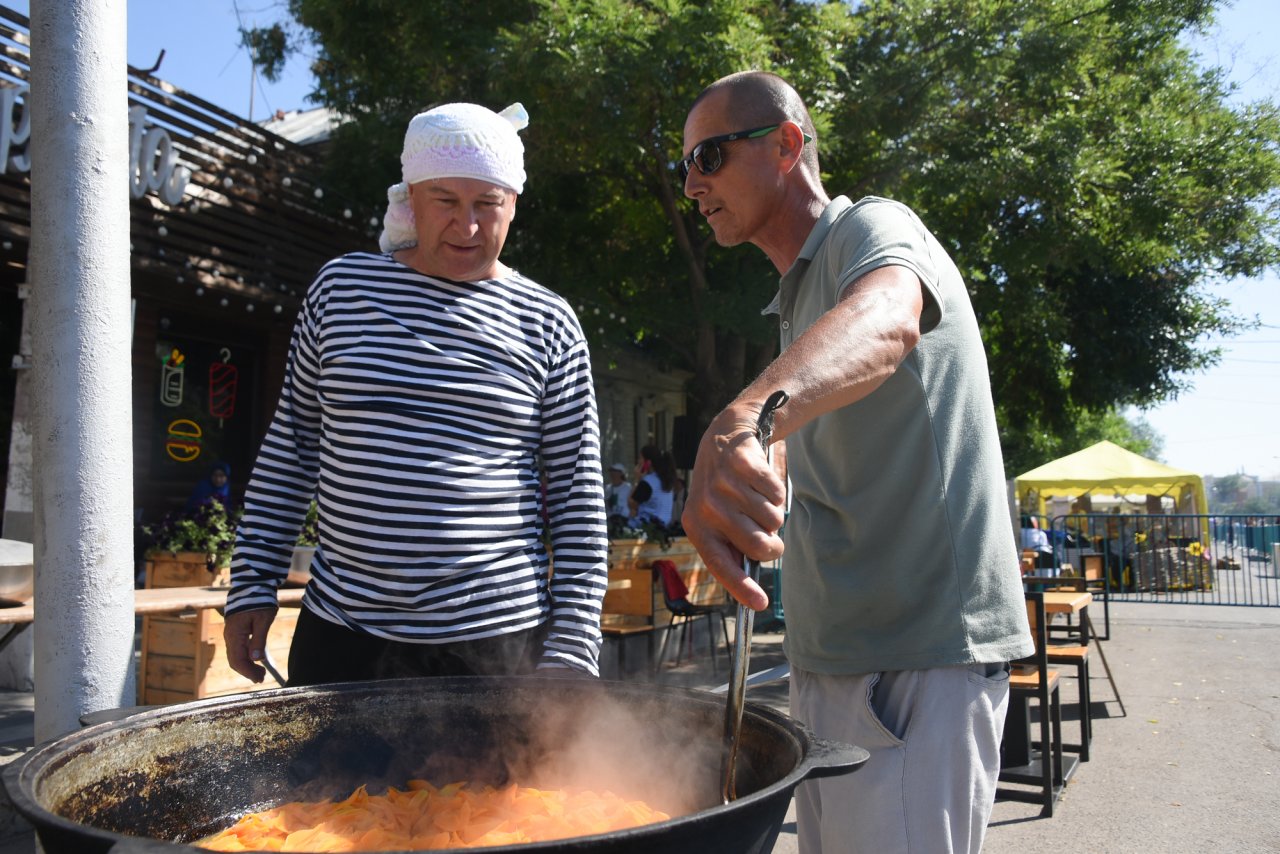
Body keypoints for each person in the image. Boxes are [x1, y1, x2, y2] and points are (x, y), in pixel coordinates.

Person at [678, 71, 1032, 853]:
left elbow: (888, 315)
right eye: (685, 169)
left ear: (786, 144)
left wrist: (747, 416)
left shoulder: (870, 230)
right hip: (835, 660)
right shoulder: (793, 302)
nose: (693, 186)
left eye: (707, 157)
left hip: (916, 655)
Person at [223, 102, 609, 686]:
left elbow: (578, 496)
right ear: (410, 196)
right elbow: (293, 449)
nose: (468, 227)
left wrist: (574, 644)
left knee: (498, 787)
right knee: (328, 784)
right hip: (343, 636)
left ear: (514, 203)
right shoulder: (341, 291)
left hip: (496, 644)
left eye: (488, 204)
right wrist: (252, 581)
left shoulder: (549, 321)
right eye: (446, 202)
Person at [628, 445, 676, 529]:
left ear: (648, 463)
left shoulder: (648, 482)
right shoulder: (666, 479)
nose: (638, 461)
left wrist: (637, 480)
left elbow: (631, 503)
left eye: (640, 458)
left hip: (646, 528)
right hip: (663, 527)